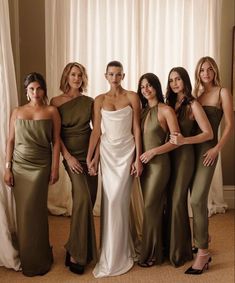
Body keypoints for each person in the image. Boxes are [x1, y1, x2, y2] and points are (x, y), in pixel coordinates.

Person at [172, 57, 234, 274]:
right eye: (202, 70)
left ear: (214, 71)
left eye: (209, 69)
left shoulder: (222, 92)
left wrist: (217, 149)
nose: (206, 73)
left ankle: (203, 253)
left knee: (198, 199)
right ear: (197, 73)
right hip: (191, 152)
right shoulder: (196, 96)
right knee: (190, 197)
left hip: (209, 151)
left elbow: (229, 125)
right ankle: (201, 239)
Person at [86, 61, 143, 278]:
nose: (115, 78)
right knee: (110, 202)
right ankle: (111, 252)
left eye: (119, 74)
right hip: (108, 155)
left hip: (127, 151)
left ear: (124, 75)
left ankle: (121, 252)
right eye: (111, 74)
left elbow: (136, 127)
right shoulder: (99, 100)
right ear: (105, 75)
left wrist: (138, 158)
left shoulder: (132, 97)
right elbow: (96, 132)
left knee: (120, 200)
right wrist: (90, 158)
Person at [4, 72, 61, 276]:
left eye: (39, 88)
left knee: (37, 212)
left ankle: (42, 258)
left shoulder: (52, 111)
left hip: (41, 166)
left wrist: (55, 168)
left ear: (44, 90)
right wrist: (8, 167)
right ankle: (28, 259)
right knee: (24, 213)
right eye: (31, 89)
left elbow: (56, 142)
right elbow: (10, 140)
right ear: (26, 91)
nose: (36, 92)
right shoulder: (17, 111)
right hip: (19, 166)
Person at [50, 62, 98, 275]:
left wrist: (94, 158)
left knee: (88, 201)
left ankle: (74, 247)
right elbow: (55, 135)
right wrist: (67, 157)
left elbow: (97, 131)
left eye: (80, 75)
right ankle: (78, 253)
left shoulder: (90, 101)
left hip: (90, 157)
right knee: (82, 199)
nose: (77, 78)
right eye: (73, 74)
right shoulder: (56, 102)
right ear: (66, 77)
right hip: (71, 157)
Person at [165, 67, 213, 267]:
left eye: (178, 79)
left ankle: (184, 251)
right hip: (169, 156)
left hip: (185, 157)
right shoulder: (169, 103)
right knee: (170, 200)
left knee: (178, 200)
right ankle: (179, 245)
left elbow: (208, 133)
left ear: (185, 81)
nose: (175, 83)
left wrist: (184, 140)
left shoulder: (193, 104)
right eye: (171, 80)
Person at [136, 73, 180, 267]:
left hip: (160, 165)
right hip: (145, 167)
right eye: (143, 86)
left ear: (157, 87)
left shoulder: (166, 110)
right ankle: (157, 248)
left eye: (149, 85)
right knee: (152, 207)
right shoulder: (143, 111)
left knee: (150, 207)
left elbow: (176, 140)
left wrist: (153, 152)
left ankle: (152, 253)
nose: (146, 89)